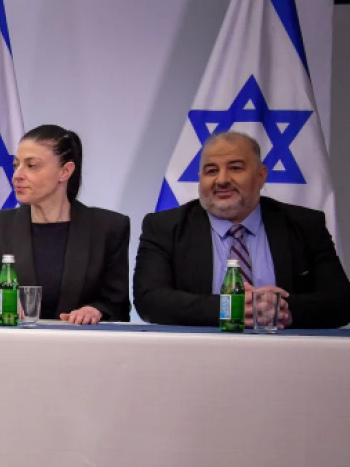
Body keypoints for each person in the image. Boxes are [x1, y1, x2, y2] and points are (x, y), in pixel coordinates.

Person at [134, 130, 350, 329]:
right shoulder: (165, 227)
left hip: (286, 356)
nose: (222, 180)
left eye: (235, 168)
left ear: (261, 175)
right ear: (200, 179)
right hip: (197, 356)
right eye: (211, 171)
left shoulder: (304, 225)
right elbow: (150, 301)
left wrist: (284, 309)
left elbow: (341, 301)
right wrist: (228, 309)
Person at [0, 124, 131, 324]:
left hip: (81, 347)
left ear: (65, 171)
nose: (17, 175)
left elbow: (118, 304)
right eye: (16, 165)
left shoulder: (108, 228)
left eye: (31, 166)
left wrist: (96, 310)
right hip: (13, 347)